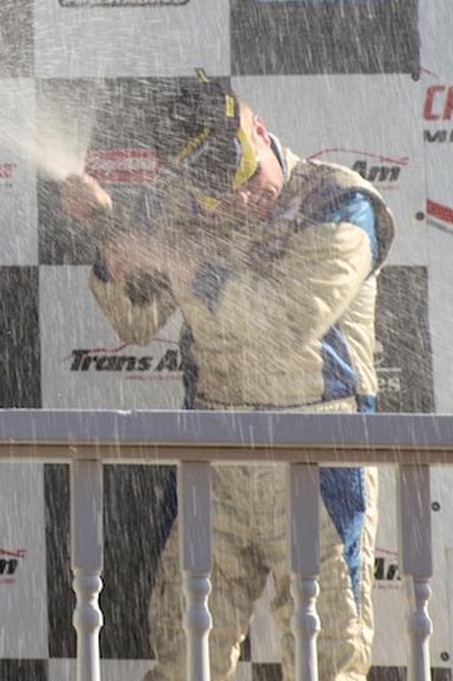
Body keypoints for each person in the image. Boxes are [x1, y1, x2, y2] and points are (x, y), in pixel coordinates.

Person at [61, 72, 390, 681]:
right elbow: (138, 319)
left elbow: (286, 321)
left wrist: (178, 259)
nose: (239, 201)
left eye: (247, 179)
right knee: (185, 657)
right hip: (213, 452)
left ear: (260, 130)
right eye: (216, 192)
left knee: (328, 662)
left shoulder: (342, 203)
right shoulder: (186, 205)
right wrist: (109, 238)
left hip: (318, 458)